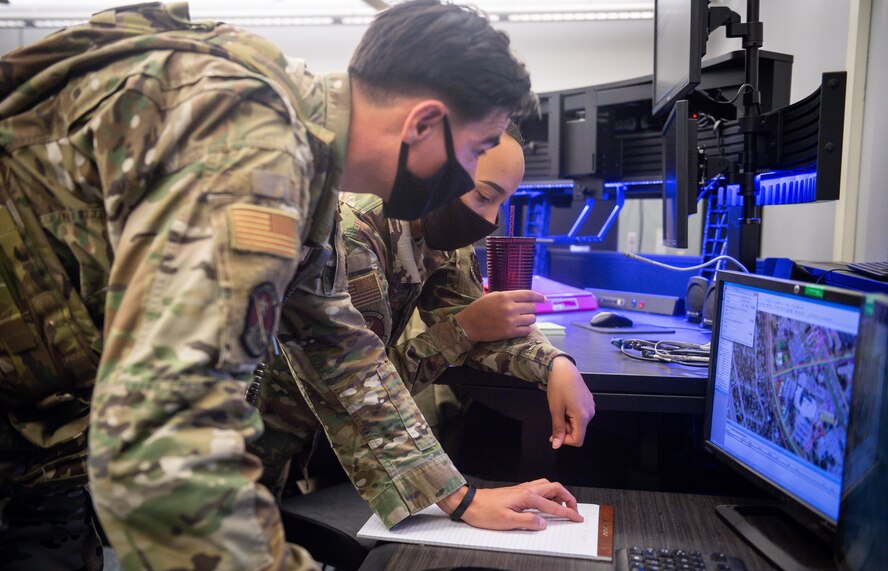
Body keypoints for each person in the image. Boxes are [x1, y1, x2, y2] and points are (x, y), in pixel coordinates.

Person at [0, 1, 581, 569]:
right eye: (476, 152)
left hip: (47, 432)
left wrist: (457, 496)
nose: (472, 182)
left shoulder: (303, 152)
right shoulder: (252, 154)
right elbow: (169, 439)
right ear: (422, 123)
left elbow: (339, 345)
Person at [252, 124, 596, 505]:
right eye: (484, 196)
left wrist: (555, 364)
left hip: (321, 439)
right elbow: (357, 384)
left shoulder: (439, 225)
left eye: (501, 203)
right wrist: (461, 331)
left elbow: (488, 322)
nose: (490, 219)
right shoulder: (354, 234)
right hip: (256, 439)